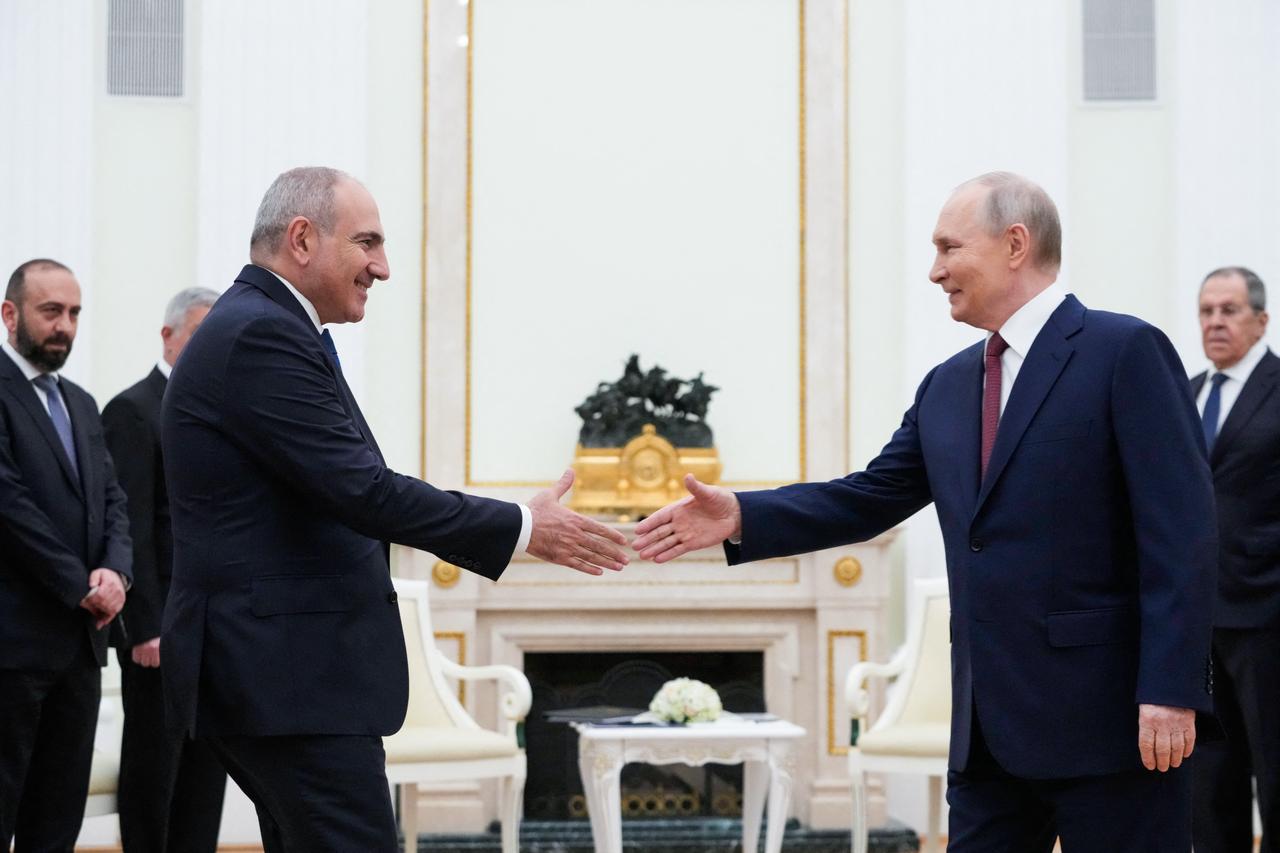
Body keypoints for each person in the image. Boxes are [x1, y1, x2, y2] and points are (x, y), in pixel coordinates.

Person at [633, 172, 1217, 851]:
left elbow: (1183, 533)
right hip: (987, 730)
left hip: (1113, 721)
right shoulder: (948, 385)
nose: (935, 270)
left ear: (1015, 243)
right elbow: (870, 494)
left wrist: (1171, 688)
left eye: (949, 247)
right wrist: (742, 515)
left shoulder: (1124, 352)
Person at [161, 166, 630, 852]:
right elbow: (364, 491)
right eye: (368, 242)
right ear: (301, 239)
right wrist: (523, 527)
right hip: (287, 678)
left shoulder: (269, 326)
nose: (381, 267)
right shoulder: (262, 334)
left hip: (283, 676)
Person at [0, 258, 133, 850]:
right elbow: (9, 507)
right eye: (50, 311)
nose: (65, 326)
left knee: (56, 819)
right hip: (12, 647)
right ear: (10, 315)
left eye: (74, 313)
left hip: (80, 646)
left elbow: (112, 500)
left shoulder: (80, 402)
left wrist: (118, 574)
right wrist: (81, 583)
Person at [102, 286, 226, 853]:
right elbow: (130, 524)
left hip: (214, 626)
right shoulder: (132, 410)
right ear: (168, 335)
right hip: (160, 630)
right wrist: (145, 625)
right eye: (199, 335)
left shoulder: (223, 412)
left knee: (206, 769)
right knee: (156, 767)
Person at [1189, 266, 1280, 853]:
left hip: (1269, 616)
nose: (1215, 321)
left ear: (1261, 319)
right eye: (1206, 311)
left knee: (1274, 774)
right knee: (1208, 781)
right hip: (1197, 620)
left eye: (1229, 310)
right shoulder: (1186, 390)